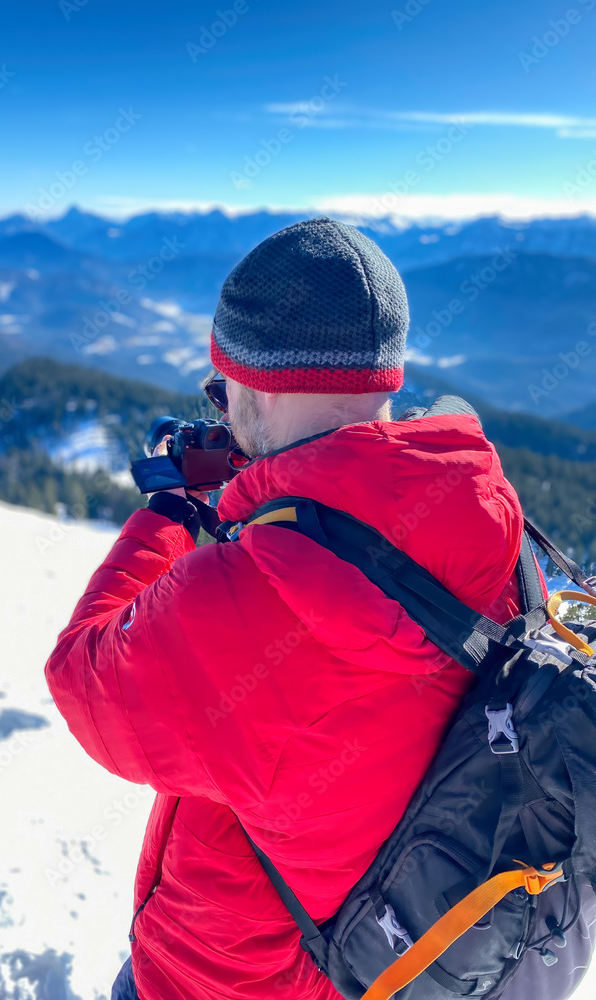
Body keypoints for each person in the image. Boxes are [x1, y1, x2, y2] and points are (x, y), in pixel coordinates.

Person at [44, 218, 530, 1000]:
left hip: (229, 975)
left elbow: (83, 682)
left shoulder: (247, 597)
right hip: (393, 962)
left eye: (223, 388)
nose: (223, 409)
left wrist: (174, 508)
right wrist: (279, 491)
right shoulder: (489, 522)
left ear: (256, 383)